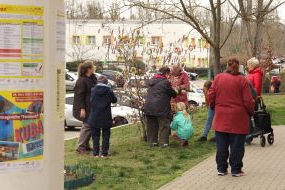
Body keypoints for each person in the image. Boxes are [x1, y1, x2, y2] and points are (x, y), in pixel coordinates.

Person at [208, 58, 254, 177]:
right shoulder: (242, 80)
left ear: (227, 66)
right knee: (237, 146)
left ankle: (222, 169)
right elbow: (248, 100)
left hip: (221, 117)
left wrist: (213, 106)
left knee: (221, 146)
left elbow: (211, 94)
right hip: (238, 118)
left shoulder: (218, 78)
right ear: (238, 67)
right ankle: (236, 170)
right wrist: (251, 112)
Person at [144, 66, 176, 147]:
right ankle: (164, 143)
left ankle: (152, 142)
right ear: (166, 73)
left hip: (149, 106)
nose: (168, 76)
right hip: (161, 107)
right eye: (168, 74)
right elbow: (173, 93)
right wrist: (177, 91)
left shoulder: (152, 80)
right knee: (164, 125)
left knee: (152, 125)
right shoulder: (165, 82)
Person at [88, 76, 117, 158]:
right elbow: (114, 100)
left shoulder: (93, 90)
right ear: (106, 83)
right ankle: (104, 154)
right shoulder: (109, 91)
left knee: (95, 136)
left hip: (94, 116)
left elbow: (90, 100)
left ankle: (95, 154)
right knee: (106, 135)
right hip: (105, 117)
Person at [73, 61, 97, 154]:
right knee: (87, 125)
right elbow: (80, 96)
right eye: (92, 66)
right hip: (84, 107)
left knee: (90, 125)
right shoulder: (82, 80)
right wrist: (82, 109)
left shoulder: (92, 77)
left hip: (91, 106)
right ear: (89, 69)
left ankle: (86, 146)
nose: (94, 67)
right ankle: (80, 147)